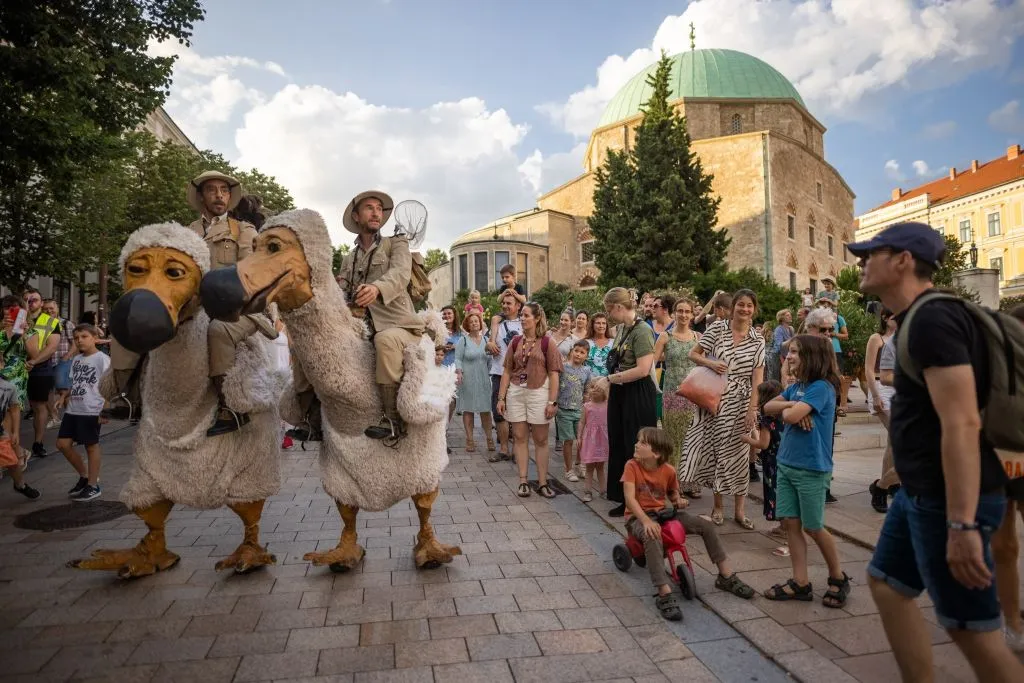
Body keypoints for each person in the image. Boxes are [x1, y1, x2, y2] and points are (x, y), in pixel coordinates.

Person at [849, 221, 1023, 683]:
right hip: (921, 493)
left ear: (903, 260)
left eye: (871, 253)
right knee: (887, 584)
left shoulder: (932, 319)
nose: (861, 261)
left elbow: (962, 421)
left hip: (949, 499)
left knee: (974, 633)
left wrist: (962, 524)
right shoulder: (919, 318)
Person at [107, 170, 275, 437]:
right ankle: (126, 393)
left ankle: (229, 405)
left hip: (233, 305)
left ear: (230, 197)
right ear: (201, 196)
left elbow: (248, 271)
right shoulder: (185, 232)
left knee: (218, 331)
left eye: (224, 190)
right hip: (193, 304)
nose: (219, 195)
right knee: (137, 317)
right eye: (212, 190)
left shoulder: (243, 230)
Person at [623, 427, 755, 621]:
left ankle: (726, 576)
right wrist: (645, 521)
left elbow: (672, 493)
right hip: (638, 517)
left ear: (656, 453)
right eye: (638, 440)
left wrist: (678, 500)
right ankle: (663, 591)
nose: (636, 444)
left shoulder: (668, 470)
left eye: (642, 442)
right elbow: (629, 498)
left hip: (663, 514)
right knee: (652, 534)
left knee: (706, 525)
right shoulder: (632, 466)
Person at [763, 335, 849, 606]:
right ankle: (800, 582)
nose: (789, 356)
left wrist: (791, 410)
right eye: (790, 352)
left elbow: (786, 417)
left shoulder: (821, 388)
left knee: (813, 527)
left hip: (812, 469)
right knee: (791, 524)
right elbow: (769, 406)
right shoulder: (798, 387)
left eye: (796, 352)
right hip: (787, 464)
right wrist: (792, 406)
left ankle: (838, 578)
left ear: (812, 357)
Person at [336, 190, 426, 443]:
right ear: (356, 216)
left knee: (385, 341)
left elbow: (400, 275)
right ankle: (314, 417)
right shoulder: (348, 258)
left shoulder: (396, 243)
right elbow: (341, 290)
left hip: (399, 325)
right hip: (360, 326)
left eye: (379, 208)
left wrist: (376, 288)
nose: (376, 212)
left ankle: (392, 418)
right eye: (369, 207)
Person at [678, 289, 765, 529]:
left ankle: (739, 511)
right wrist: (711, 362)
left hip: (741, 402)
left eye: (749, 306)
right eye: (741, 305)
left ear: (754, 310)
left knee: (739, 456)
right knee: (717, 453)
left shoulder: (758, 339)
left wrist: (752, 409)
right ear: (733, 306)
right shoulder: (717, 328)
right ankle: (717, 507)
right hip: (715, 398)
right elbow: (693, 354)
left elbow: (758, 378)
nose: (745, 309)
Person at [600, 288, 658, 517]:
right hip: (621, 391)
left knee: (636, 445)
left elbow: (643, 369)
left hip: (637, 394)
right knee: (620, 443)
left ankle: (639, 501)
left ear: (618, 307)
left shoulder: (642, 331)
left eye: (608, 310)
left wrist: (609, 379)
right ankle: (625, 498)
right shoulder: (623, 329)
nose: (607, 315)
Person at [496, 302, 563, 498]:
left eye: (526, 315)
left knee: (541, 440)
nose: (523, 319)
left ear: (537, 318)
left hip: (539, 392)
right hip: (516, 392)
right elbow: (507, 370)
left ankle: (542, 483)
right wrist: (501, 397)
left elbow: (554, 374)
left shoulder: (547, 342)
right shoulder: (515, 341)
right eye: (522, 316)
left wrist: (552, 402)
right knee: (519, 437)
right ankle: (523, 481)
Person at [992, 304, 1024, 653]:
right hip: (1001, 462)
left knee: (1004, 546)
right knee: (1003, 546)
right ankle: (1012, 623)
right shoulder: (995, 366)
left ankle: (1014, 623)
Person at [56, 325, 110, 501]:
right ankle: (85, 476)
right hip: (73, 409)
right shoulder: (77, 359)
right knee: (62, 444)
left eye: (84, 336)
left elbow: (110, 386)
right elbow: (75, 383)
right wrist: (64, 396)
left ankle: (93, 486)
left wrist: (106, 409)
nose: (79, 340)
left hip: (91, 409)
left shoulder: (102, 359)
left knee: (91, 446)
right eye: (76, 337)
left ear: (95, 338)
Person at [653, 298, 700, 478]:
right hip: (672, 392)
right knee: (673, 437)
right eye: (680, 311)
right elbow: (652, 363)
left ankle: (690, 481)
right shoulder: (666, 336)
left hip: (693, 394)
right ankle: (673, 480)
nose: (683, 315)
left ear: (692, 314)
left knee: (692, 437)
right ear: (674, 313)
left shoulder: (698, 337)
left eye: (687, 311)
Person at [864, 309, 899, 513]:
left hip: (899, 389)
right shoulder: (877, 338)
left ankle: (885, 486)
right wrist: (875, 394)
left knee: (892, 442)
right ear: (886, 318)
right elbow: (869, 369)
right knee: (896, 437)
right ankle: (884, 486)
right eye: (895, 315)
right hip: (881, 389)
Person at [741, 380, 785, 541]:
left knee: (774, 491)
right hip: (784, 459)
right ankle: (785, 526)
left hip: (772, 462)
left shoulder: (767, 421)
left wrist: (747, 439)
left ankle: (784, 527)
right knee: (783, 492)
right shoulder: (784, 416)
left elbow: (763, 444)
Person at [22, 288, 61, 459]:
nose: (31, 303)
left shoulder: (51, 321)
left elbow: (52, 347)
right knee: (12, 407)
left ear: (41, 302)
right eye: (27, 299)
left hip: (40, 368)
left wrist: (34, 361)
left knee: (39, 406)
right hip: (17, 367)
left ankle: (38, 443)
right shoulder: (16, 318)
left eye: (34, 299)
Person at [486, 290, 523, 462]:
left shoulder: (524, 323)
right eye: (504, 303)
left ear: (518, 306)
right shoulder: (497, 324)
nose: (505, 306)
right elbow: (488, 348)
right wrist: (490, 344)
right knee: (498, 412)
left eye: (509, 303)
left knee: (517, 413)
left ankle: (517, 450)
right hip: (498, 373)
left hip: (519, 376)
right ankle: (503, 449)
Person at [455, 311, 493, 453]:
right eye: (471, 322)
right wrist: (459, 372)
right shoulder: (463, 340)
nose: (474, 323)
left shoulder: (486, 340)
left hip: (483, 379)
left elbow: (490, 359)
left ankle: (489, 438)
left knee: (485, 409)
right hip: (468, 379)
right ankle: (470, 440)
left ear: (481, 323)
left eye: (476, 321)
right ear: (468, 325)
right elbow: (458, 358)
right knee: (468, 409)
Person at [557, 340, 593, 483]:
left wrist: (587, 408)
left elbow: (587, 391)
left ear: (586, 356)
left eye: (582, 352)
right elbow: (556, 386)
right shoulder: (563, 368)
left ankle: (581, 464)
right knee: (568, 441)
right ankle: (568, 469)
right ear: (572, 351)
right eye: (576, 351)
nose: (578, 354)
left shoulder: (587, 371)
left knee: (582, 440)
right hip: (564, 410)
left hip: (580, 411)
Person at [0, 377, 39, 499]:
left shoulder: (8, 387)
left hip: (1, 433)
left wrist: (15, 432)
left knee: (12, 462)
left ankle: (20, 485)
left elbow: (14, 409)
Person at [43, 298, 75, 429]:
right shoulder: (42, 324)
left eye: (51, 308)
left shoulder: (66, 323)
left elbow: (75, 343)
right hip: (47, 361)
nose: (49, 311)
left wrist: (67, 357)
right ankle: (54, 417)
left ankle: (71, 420)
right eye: (46, 309)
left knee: (64, 391)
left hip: (62, 361)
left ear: (57, 308)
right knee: (47, 392)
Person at [816, 297, 850, 416]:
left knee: (838, 377)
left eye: (828, 303)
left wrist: (833, 333)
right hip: (819, 350)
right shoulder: (817, 320)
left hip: (835, 350)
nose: (825, 305)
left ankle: (840, 406)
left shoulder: (839, 318)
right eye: (822, 303)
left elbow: (846, 335)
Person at [578, 381, 609, 503]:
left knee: (601, 467)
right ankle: (587, 491)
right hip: (590, 441)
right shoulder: (587, 406)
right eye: (592, 387)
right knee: (589, 467)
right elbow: (582, 422)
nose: (595, 390)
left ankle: (603, 491)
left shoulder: (608, 405)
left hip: (603, 440)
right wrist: (579, 437)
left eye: (598, 388)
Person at [585, 312, 613, 378]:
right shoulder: (586, 343)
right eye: (598, 323)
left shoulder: (614, 343)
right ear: (592, 325)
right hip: (589, 384)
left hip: (609, 384)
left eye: (604, 323)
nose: (601, 326)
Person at [772, 310, 795, 383]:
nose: (790, 316)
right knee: (781, 379)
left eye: (790, 314)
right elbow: (779, 345)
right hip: (779, 358)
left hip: (789, 357)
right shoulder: (778, 329)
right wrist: (793, 339)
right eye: (787, 315)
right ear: (782, 318)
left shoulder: (791, 328)